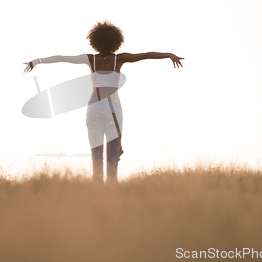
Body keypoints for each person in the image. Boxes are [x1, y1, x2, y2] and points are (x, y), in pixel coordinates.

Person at [23, 21, 184, 183]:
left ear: (95, 41)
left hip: (94, 107)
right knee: (113, 152)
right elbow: (146, 55)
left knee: (96, 151)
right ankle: (112, 187)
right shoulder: (119, 59)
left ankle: (97, 188)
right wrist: (169, 55)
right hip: (113, 107)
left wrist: (36, 61)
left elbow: (63, 58)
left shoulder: (91, 59)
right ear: (116, 41)